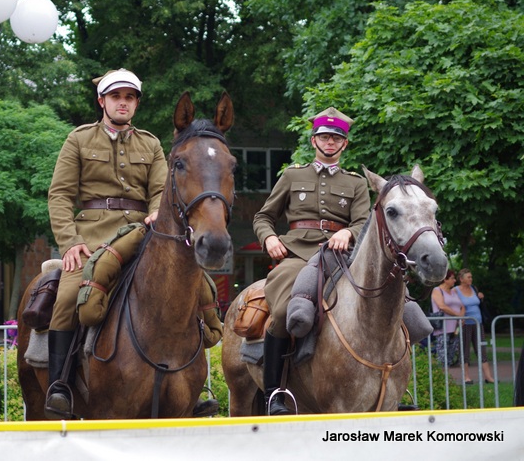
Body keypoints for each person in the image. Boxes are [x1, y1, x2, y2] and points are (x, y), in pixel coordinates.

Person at [44, 68, 222, 419]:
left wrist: (157, 212)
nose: (122, 103)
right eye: (116, 97)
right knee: (66, 298)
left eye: (129, 97)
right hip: (92, 238)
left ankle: (193, 385)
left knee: (194, 290)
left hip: (142, 234)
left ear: (136, 104)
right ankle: (59, 385)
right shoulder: (78, 139)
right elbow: (60, 195)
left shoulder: (151, 143)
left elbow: (160, 189)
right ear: (102, 101)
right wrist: (70, 243)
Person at [253, 107, 370, 415]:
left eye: (336, 138)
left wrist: (348, 231)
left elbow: (363, 222)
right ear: (313, 140)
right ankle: (273, 393)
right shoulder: (292, 175)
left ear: (344, 144)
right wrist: (270, 238)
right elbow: (264, 216)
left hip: (342, 258)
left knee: (389, 302)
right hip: (297, 254)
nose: (330, 142)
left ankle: (391, 384)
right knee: (282, 311)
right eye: (324, 137)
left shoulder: (356, 183)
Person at [455, 268, 495, 383]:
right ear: (461, 279)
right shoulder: (455, 291)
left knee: (482, 349)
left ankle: (488, 377)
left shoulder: (473, 288)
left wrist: (480, 297)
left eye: (471, 277)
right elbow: (453, 305)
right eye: (468, 277)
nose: (471, 279)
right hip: (465, 324)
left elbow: (478, 303)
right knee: (465, 350)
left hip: (478, 323)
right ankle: (466, 377)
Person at [430, 269, 463, 367]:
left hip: (455, 326)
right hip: (443, 326)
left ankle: (450, 371)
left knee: (452, 350)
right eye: (452, 278)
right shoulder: (437, 290)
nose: (455, 280)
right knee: (442, 352)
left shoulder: (454, 292)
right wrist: (457, 315)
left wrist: (462, 317)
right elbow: (442, 306)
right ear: (445, 279)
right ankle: (442, 371)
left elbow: (462, 306)